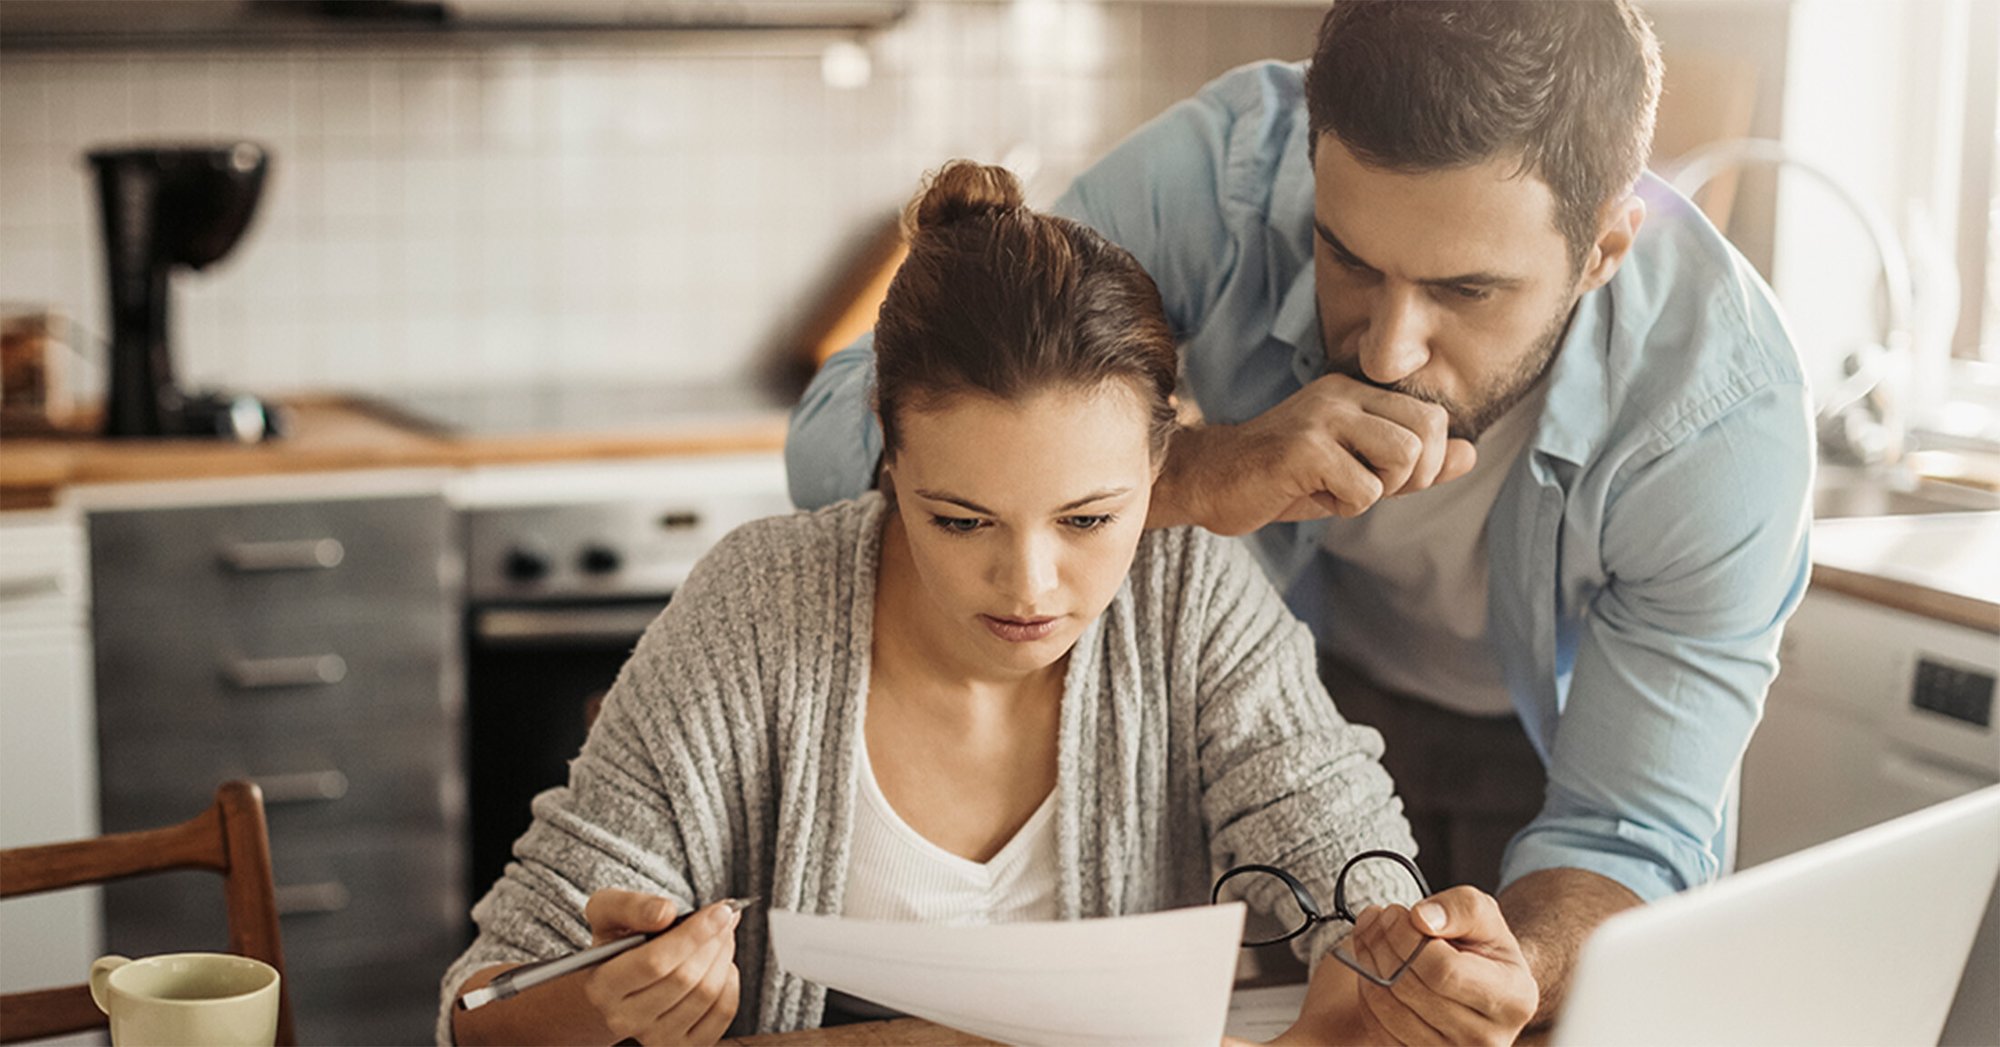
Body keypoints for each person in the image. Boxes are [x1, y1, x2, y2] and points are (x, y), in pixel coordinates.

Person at [787, 0, 1815, 1037]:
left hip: (1531, 763)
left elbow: (1627, 834)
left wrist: (1525, 960)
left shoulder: (1719, 421)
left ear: (1602, 248)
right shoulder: (1228, 174)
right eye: (1349, 261)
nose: (1386, 352)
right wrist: (1182, 473)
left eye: (1464, 289)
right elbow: (835, 437)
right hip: (1249, 746)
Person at [438, 162, 1539, 1046]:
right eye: (960, 521)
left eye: (1088, 520)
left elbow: (1346, 865)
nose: (1028, 587)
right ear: (886, 450)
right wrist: (604, 1000)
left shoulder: (1191, 598)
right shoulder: (758, 608)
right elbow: (479, 1009)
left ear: (1164, 457)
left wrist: (1418, 962)